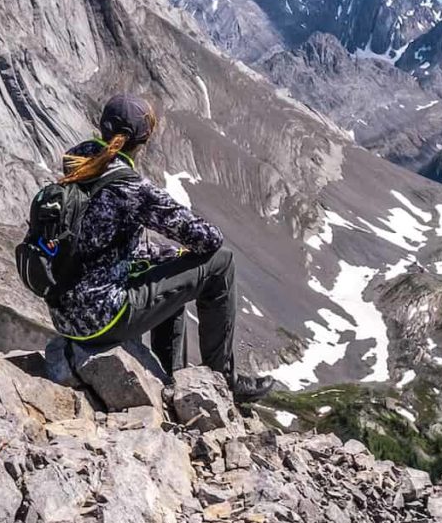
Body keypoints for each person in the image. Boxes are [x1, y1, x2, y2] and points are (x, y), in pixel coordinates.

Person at [44, 91, 272, 403]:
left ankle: (173, 377)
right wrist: (179, 254)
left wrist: (165, 256)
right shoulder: (129, 187)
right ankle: (224, 379)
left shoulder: (77, 164)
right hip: (101, 319)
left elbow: (98, 248)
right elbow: (209, 239)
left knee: (166, 271)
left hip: (66, 314)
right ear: (143, 140)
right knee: (222, 263)